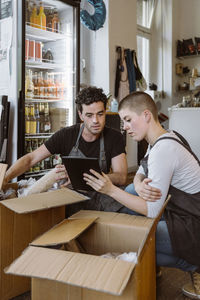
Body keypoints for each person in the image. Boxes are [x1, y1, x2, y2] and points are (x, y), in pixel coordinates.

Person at [83, 91, 200, 300]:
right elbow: (140, 172)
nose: (125, 127)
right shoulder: (164, 137)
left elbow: (152, 210)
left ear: (146, 115)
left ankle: (194, 264)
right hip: (184, 216)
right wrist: (137, 183)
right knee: (130, 195)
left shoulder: (163, 150)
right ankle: (155, 265)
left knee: (126, 239)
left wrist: (110, 189)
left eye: (128, 120)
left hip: (193, 226)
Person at [3, 86, 127, 214]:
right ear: (80, 115)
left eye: (100, 114)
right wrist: (4, 179)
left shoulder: (114, 137)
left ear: (105, 111)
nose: (95, 120)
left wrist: (82, 177)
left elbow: (121, 177)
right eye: (89, 115)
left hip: (101, 195)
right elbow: (30, 159)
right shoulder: (66, 135)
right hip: (69, 198)